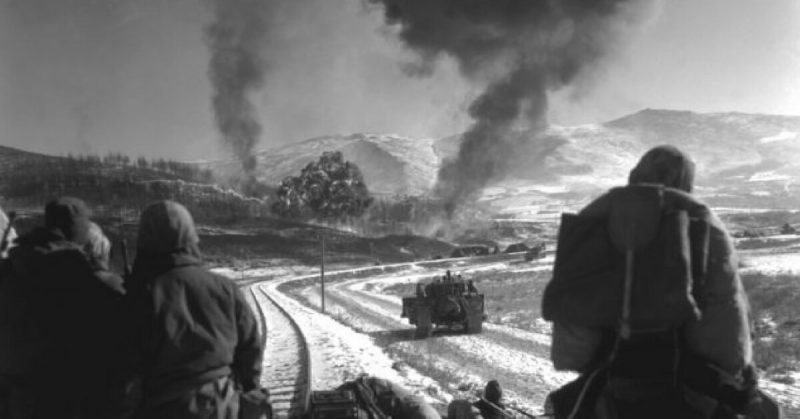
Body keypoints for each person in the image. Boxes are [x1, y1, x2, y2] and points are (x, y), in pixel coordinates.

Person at [542, 146, 775, 418]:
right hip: (689, 391)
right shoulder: (704, 220)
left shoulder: (592, 217)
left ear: (633, 175)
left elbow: (573, 347)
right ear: (686, 182)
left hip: (610, 384)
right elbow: (725, 339)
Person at [124, 201, 263, 418]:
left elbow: (125, 371)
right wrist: (249, 388)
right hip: (222, 405)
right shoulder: (225, 288)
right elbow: (250, 347)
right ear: (191, 238)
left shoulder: (139, 296)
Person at [0, 197, 126, 419]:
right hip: (68, 397)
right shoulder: (82, 278)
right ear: (79, 233)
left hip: (14, 398)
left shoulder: (12, 270)